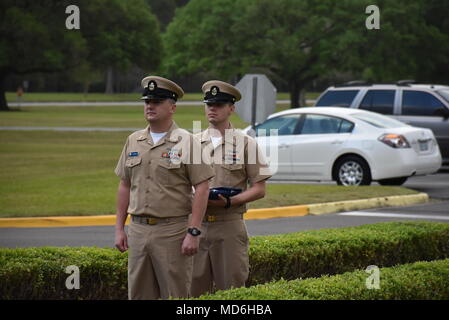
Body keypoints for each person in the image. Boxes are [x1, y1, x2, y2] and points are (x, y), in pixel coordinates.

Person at [114, 76, 214, 300]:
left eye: (157, 102)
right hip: (138, 230)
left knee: (175, 295)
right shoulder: (134, 140)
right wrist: (119, 228)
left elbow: (202, 187)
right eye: (147, 101)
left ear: (172, 107)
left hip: (173, 232)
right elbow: (124, 185)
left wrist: (194, 231)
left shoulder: (187, 141)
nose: (150, 106)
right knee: (139, 295)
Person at [191, 80, 272, 297]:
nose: (213, 109)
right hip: (195, 227)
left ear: (231, 108)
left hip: (229, 227)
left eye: (219, 104)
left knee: (232, 293)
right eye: (209, 104)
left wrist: (230, 201)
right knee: (193, 292)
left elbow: (259, 188)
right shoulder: (191, 143)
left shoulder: (247, 144)